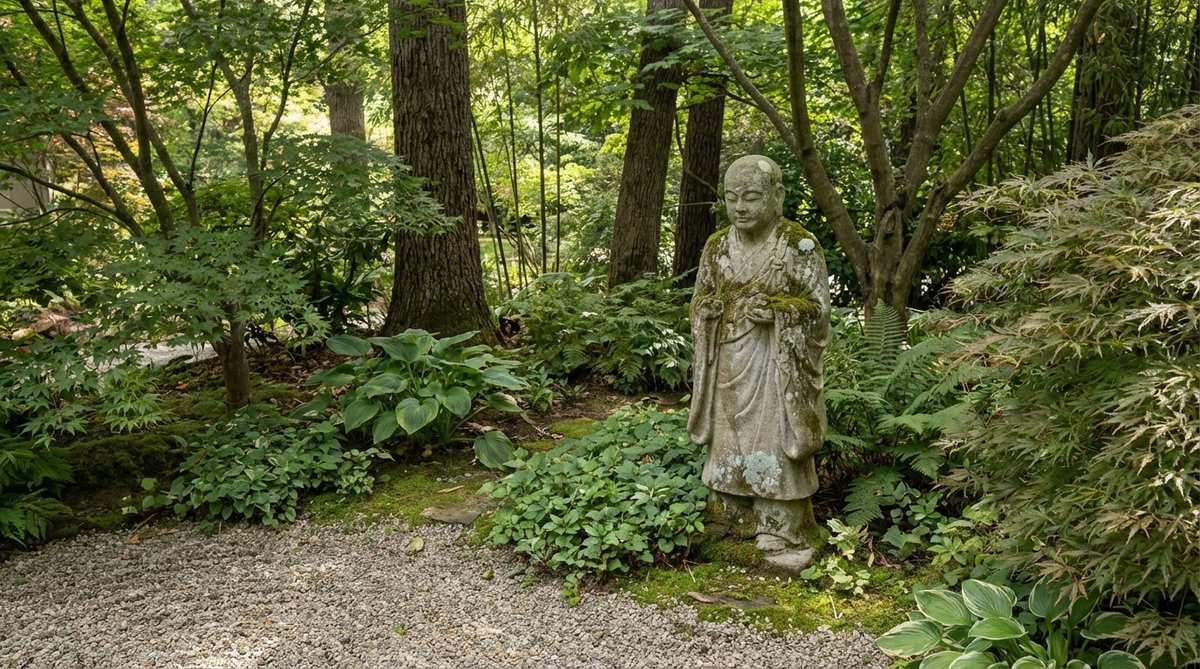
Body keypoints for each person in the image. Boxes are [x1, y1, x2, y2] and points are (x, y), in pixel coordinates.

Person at [688, 154, 830, 571]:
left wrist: (782, 312)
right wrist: (707, 310)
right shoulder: (716, 247)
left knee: (772, 440)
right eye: (732, 198)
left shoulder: (798, 245)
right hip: (727, 361)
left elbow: (818, 309)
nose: (741, 207)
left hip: (776, 368)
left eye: (751, 197)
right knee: (728, 441)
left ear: (777, 197)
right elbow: (699, 300)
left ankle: (781, 524)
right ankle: (730, 514)